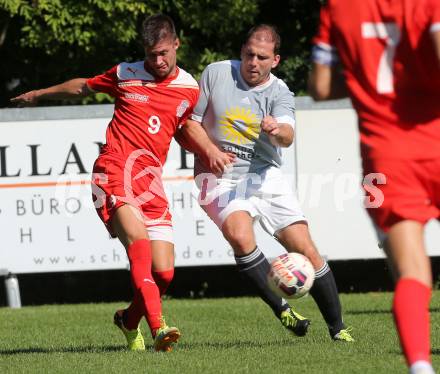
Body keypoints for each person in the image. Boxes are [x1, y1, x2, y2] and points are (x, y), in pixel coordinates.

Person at [11, 14, 232, 352]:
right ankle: (158, 328)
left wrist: (210, 151)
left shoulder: (189, 88)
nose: (157, 61)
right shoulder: (126, 74)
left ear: (176, 45)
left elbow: (184, 127)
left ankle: (129, 321)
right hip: (113, 170)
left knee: (164, 275)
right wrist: (42, 93)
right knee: (139, 245)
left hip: (150, 182)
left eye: (162, 53)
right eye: (150, 53)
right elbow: (83, 86)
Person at [179, 24, 353, 341]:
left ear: (275, 60)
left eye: (262, 57)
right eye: (249, 55)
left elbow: (287, 136)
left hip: (264, 175)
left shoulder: (279, 92)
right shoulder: (216, 73)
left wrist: (276, 130)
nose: (253, 63)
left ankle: (338, 330)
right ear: (241, 52)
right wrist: (210, 151)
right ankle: (284, 311)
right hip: (218, 175)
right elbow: (189, 126)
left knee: (306, 250)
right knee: (239, 234)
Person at [308, 1, 440, 372]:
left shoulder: (337, 8)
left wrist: (366, 81)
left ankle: (419, 366)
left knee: (412, 272)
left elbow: (319, 86)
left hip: (387, 155)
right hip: (436, 135)